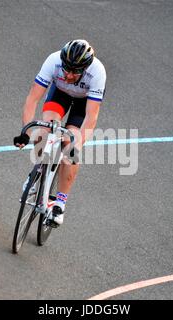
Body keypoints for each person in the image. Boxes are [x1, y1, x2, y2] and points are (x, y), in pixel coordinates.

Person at [13, 39, 106, 227]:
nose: (70, 75)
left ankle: (60, 203)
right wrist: (26, 131)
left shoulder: (97, 73)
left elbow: (91, 117)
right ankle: (37, 172)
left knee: (70, 149)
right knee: (45, 129)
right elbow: (32, 99)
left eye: (75, 72)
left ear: (85, 69)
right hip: (60, 95)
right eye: (67, 69)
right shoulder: (53, 61)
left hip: (83, 103)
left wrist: (76, 145)